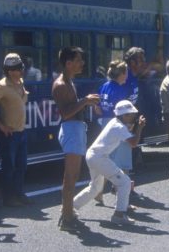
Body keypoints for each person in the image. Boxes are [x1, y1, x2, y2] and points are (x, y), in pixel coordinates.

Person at [73, 100, 146, 226]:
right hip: (99, 158)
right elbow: (133, 143)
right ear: (124, 115)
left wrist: (135, 125)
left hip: (93, 155)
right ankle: (119, 214)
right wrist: (139, 127)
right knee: (124, 182)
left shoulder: (115, 122)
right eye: (132, 114)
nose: (134, 116)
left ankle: (70, 207)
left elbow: (127, 132)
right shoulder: (119, 127)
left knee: (95, 188)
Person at [53, 46, 99, 230]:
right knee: (70, 177)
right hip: (71, 129)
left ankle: (68, 212)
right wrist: (86, 101)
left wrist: (87, 103)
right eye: (79, 60)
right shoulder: (61, 85)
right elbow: (65, 113)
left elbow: (71, 108)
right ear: (68, 63)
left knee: (74, 175)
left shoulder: (69, 81)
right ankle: (66, 217)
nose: (82, 63)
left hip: (76, 128)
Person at [0, 53, 32, 207]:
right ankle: (8, 198)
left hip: (21, 131)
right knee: (9, 166)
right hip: (9, 133)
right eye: (19, 69)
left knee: (22, 165)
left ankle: (19, 193)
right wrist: (0, 125)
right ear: (10, 71)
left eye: (21, 67)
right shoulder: (2, 86)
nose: (21, 71)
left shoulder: (20, 82)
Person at [96, 61, 134, 175]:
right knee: (123, 157)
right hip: (118, 124)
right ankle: (124, 186)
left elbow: (97, 109)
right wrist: (128, 125)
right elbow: (123, 112)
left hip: (105, 123)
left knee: (110, 156)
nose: (127, 75)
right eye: (126, 72)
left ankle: (114, 182)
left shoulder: (103, 87)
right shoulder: (120, 90)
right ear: (122, 74)